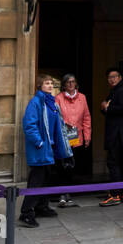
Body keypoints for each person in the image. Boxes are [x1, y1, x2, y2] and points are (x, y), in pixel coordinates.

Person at [21, 74, 72, 227]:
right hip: (41, 149)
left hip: (51, 149)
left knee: (46, 179)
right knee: (36, 181)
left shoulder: (52, 103)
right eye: (47, 83)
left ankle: (41, 206)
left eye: (51, 83)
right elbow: (29, 125)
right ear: (40, 86)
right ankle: (26, 212)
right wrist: (39, 142)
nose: (50, 86)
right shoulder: (36, 102)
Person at [53, 73, 91, 208]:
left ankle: (68, 192)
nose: (70, 84)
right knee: (62, 165)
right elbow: (55, 117)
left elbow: (86, 118)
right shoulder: (58, 98)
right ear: (64, 85)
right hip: (63, 137)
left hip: (77, 137)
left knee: (73, 165)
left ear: (76, 84)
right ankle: (62, 194)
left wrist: (87, 136)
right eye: (68, 82)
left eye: (73, 82)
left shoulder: (82, 98)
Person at [101, 68, 123, 208]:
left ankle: (114, 195)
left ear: (120, 77)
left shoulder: (122, 91)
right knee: (120, 162)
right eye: (109, 77)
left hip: (118, 134)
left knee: (113, 163)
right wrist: (105, 108)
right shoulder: (116, 91)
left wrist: (108, 108)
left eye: (114, 76)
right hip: (118, 133)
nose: (111, 79)